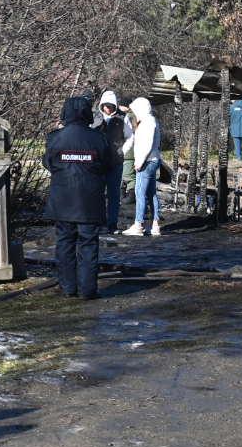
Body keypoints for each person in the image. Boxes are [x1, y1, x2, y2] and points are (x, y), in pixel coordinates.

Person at [43, 95, 112, 300]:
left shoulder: (55, 138)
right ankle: (88, 290)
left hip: (63, 200)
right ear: (87, 113)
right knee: (88, 244)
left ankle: (68, 288)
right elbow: (107, 164)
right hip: (89, 200)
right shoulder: (98, 138)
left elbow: (48, 163)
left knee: (64, 243)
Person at [121, 96, 164, 237]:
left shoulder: (147, 122)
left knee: (140, 193)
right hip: (153, 160)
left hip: (147, 161)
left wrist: (139, 161)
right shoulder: (150, 120)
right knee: (151, 193)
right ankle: (156, 224)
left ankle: (138, 224)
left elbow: (147, 144)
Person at [93, 91, 130, 232]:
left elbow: (130, 136)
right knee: (98, 193)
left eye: (110, 105)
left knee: (114, 195)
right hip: (98, 162)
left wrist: (123, 150)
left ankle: (112, 223)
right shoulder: (95, 117)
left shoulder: (122, 118)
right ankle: (99, 222)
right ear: (102, 105)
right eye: (105, 105)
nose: (108, 108)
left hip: (115, 163)